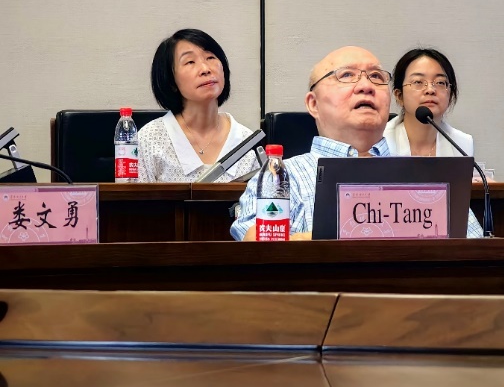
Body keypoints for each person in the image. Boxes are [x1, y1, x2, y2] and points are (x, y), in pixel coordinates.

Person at [231, 45, 484, 241]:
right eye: (346, 75)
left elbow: (477, 254)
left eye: (376, 76)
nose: (366, 86)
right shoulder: (283, 177)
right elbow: (257, 245)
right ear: (313, 104)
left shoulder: (426, 178)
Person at [137, 29, 260, 183]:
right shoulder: (150, 139)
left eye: (210, 57)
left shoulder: (247, 142)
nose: (205, 69)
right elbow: (133, 198)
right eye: (190, 62)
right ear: (171, 80)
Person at [383, 48, 474, 157]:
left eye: (440, 82)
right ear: (399, 96)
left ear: (450, 95)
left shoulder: (462, 144)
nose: (430, 90)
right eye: (418, 82)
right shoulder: (379, 142)